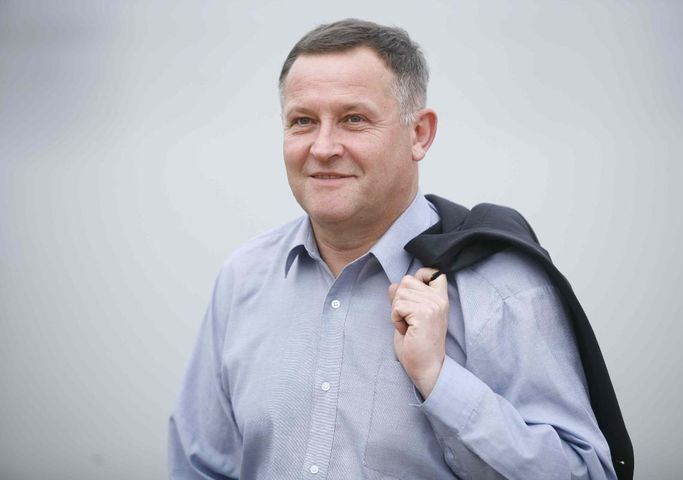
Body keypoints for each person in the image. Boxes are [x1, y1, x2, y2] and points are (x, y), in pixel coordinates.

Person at [169, 18, 617, 479]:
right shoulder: (243, 278)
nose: (323, 147)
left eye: (354, 119)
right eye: (303, 121)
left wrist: (440, 381)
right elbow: (200, 468)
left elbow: (587, 474)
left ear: (419, 134)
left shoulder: (501, 288)